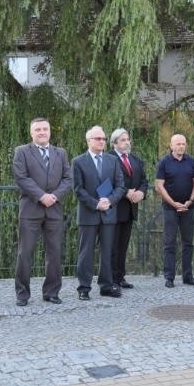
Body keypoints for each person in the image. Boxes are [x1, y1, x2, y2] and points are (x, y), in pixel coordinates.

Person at [12, 118, 73, 306]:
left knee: (54, 252)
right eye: (37, 129)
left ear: (50, 132)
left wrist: (53, 196)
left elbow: (68, 179)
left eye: (45, 129)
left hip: (54, 210)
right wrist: (41, 196)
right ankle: (22, 294)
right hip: (31, 209)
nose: (42, 132)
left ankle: (52, 292)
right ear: (32, 133)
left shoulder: (60, 153)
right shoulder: (22, 151)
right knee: (25, 253)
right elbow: (21, 178)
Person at [71, 126, 126, 300]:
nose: (102, 141)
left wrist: (109, 201)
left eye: (103, 138)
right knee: (86, 252)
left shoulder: (113, 160)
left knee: (108, 252)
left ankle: (106, 286)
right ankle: (84, 288)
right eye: (98, 139)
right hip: (89, 214)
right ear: (89, 141)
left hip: (109, 213)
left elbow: (120, 186)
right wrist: (96, 204)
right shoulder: (78, 161)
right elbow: (78, 190)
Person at [155, 134, 194, 288]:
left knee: (188, 243)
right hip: (170, 208)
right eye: (178, 144)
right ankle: (169, 277)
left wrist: (190, 200)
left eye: (183, 143)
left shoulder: (191, 161)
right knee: (169, 243)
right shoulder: (164, 162)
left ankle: (188, 276)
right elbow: (159, 186)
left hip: (188, 208)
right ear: (171, 146)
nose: (181, 146)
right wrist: (173, 203)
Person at [106, 128, 147, 289]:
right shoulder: (108, 158)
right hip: (114, 209)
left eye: (128, 139)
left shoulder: (135, 160)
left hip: (130, 209)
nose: (127, 142)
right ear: (114, 142)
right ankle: (110, 280)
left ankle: (120, 277)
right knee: (112, 246)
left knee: (123, 246)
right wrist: (125, 193)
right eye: (123, 140)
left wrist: (141, 193)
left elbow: (143, 179)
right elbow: (106, 182)